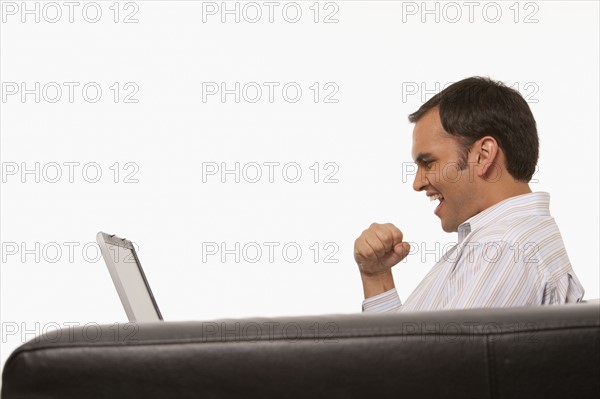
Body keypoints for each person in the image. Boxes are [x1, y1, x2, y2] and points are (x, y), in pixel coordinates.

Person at [354, 76, 584, 312]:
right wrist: (376, 275)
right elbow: (406, 344)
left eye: (429, 163)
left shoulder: (502, 249)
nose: (417, 183)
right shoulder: (507, 242)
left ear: (483, 155)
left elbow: (418, 350)